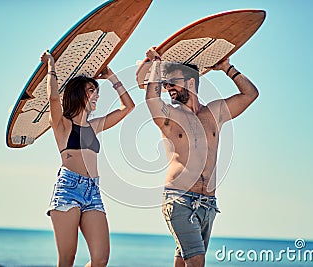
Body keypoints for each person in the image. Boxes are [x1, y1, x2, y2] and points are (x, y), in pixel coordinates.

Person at [144, 48, 259, 267]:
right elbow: (151, 98)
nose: (168, 88)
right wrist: (156, 66)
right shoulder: (171, 115)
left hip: (208, 203)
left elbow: (250, 94)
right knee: (196, 261)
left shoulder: (215, 113)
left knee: (184, 259)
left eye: (171, 83)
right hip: (179, 199)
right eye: (165, 84)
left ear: (190, 82)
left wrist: (227, 67)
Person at [41, 50, 135, 267]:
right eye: (91, 90)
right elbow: (53, 98)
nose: (97, 95)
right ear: (77, 94)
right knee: (67, 259)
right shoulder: (62, 125)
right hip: (68, 189)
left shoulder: (94, 126)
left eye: (97, 91)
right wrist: (51, 66)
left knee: (100, 259)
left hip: (93, 191)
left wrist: (112, 77)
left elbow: (128, 107)